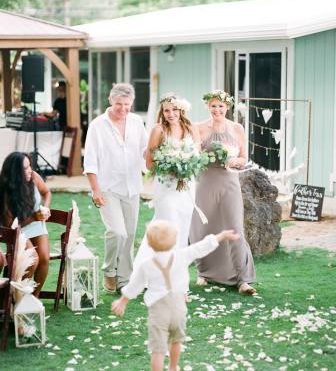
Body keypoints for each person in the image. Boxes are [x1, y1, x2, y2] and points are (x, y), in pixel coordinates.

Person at [112, 219, 239, 371]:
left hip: (158, 309)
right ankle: (173, 367)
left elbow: (135, 286)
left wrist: (122, 301)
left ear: (149, 244)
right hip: (178, 305)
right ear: (174, 241)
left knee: (158, 349)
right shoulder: (181, 255)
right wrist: (221, 236)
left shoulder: (146, 265)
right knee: (176, 341)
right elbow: (201, 247)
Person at [189, 90, 256, 295]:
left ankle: (243, 279)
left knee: (235, 227)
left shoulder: (237, 128)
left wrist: (236, 160)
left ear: (227, 107)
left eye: (221, 106)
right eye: (213, 106)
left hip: (229, 181)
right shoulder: (197, 128)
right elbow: (193, 155)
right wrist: (203, 155)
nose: (217, 109)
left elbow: (244, 157)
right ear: (207, 107)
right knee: (203, 228)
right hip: (205, 182)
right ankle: (204, 273)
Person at [84, 83, 148, 293]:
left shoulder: (137, 121)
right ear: (110, 101)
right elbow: (90, 160)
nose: (123, 108)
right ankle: (109, 271)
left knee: (129, 235)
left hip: (132, 186)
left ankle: (124, 278)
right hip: (107, 187)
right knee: (117, 232)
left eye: (127, 104)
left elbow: (145, 150)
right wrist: (95, 190)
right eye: (119, 103)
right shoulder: (97, 125)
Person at [133, 93, 200, 269]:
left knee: (183, 226)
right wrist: (169, 167)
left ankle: (176, 274)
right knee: (167, 225)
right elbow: (149, 164)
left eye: (174, 110)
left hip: (186, 185)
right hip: (166, 185)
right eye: (166, 110)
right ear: (162, 112)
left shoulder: (191, 128)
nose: (171, 114)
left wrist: (186, 167)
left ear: (181, 110)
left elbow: (197, 156)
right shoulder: (158, 130)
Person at [0, 152, 51, 297]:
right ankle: (17, 295)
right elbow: (11, 224)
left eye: (29, 166)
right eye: (25, 169)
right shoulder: (5, 189)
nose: (29, 171)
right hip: (16, 228)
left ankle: (34, 296)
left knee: (44, 258)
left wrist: (45, 208)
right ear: (15, 173)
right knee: (32, 259)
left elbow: (47, 192)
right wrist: (34, 217)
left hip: (35, 222)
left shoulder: (33, 177)